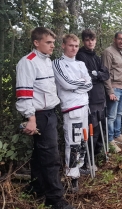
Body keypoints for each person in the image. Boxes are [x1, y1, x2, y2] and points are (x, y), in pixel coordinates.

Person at [16, 27, 74, 209]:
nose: (52, 46)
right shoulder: (28, 62)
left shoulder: (47, 61)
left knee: (39, 154)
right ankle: (56, 200)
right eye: (48, 42)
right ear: (36, 42)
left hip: (50, 113)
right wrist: (30, 118)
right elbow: (24, 93)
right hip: (39, 115)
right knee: (51, 157)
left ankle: (37, 188)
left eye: (53, 42)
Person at [53, 34, 92, 191]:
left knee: (83, 138)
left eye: (76, 46)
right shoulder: (57, 63)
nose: (74, 49)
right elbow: (66, 84)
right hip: (72, 108)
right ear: (63, 45)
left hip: (84, 106)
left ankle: (79, 166)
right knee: (73, 142)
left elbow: (89, 84)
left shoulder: (81, 63)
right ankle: (72, 175)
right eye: (70, 45)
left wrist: (80, 84)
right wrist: (80, 83)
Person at [75, 29, 109, 172]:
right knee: (92, 131)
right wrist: (97, 75)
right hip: (90, 99)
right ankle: (89, 161)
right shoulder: (81, 56)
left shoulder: (96, 56)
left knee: (103, 129)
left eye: (92, 39)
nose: (90, 42)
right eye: (88, 40)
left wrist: (98, 74)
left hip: (101, 97)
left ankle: (98, 154)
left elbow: (106, 73)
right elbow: (86, 77)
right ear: (84, 41)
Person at [102, 32, 122, 153]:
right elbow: (105, 73)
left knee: (119, 114)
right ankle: (110, 140)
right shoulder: (108, 52)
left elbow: (121, 70)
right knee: (111, 116)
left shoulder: (120, 52)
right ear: (115, 39)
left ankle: (118, 135)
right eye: (120, 39)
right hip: (114, 89)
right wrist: (110, 91)